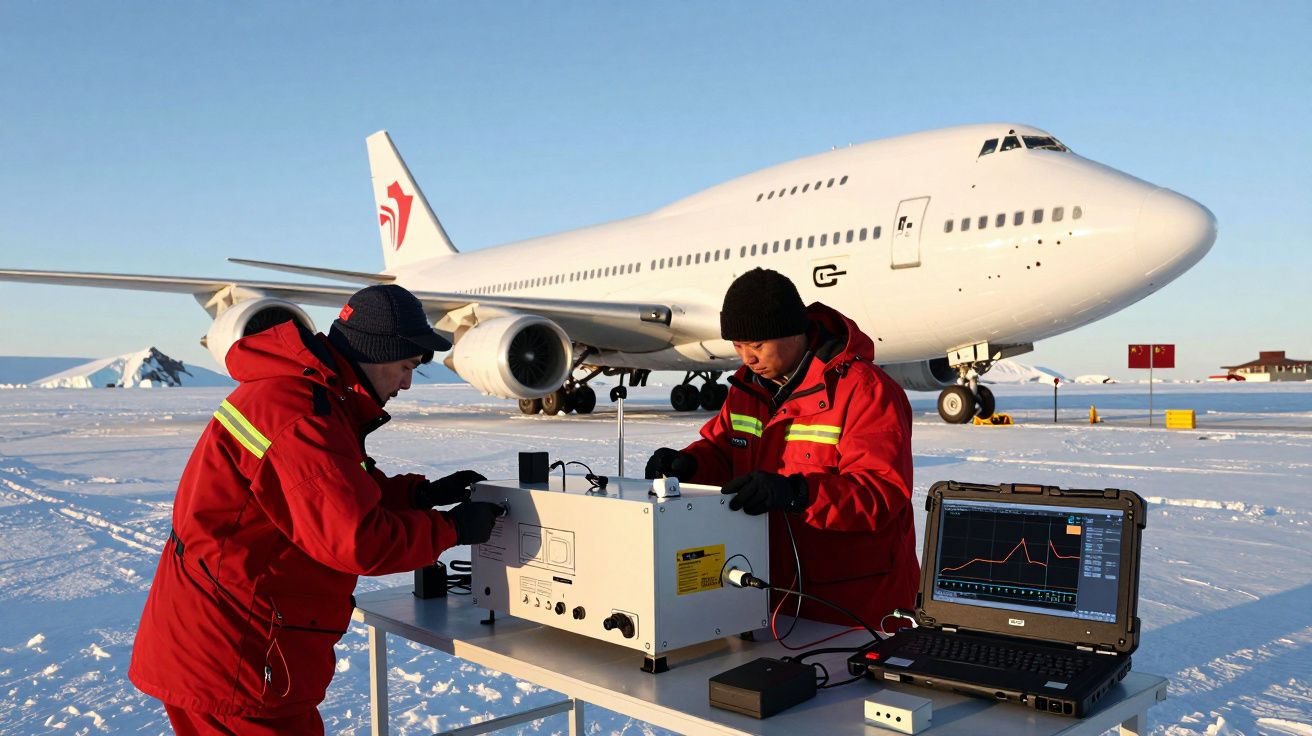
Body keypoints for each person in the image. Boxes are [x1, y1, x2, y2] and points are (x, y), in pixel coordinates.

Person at [129, 284, 504, 734]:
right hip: (235, 653)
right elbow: (357, 539)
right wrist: (453, 529)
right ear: (378, 353)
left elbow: (329, 490)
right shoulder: (302, 413)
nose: (406, 383)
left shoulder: (305, 395)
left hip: (223, 638)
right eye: (406, 367)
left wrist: (417, 497)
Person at [645, 268, 917, 629]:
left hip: (853, 604)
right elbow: (725, 449)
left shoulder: (864, 391)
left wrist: (797, 493)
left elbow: (880, 493)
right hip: (769, 591)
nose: (746, 358)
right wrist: (690, 464)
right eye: (738, 346)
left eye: (756, 345)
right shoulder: (747, 389)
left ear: (794, 332)